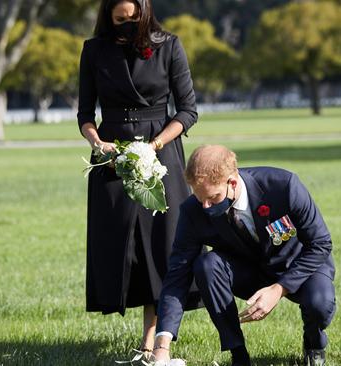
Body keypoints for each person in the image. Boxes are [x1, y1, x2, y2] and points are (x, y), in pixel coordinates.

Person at [77, 0, 201, 356]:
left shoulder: (169, 46)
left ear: (145, 13)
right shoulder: (94, 50)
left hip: (160, 152)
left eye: (134, 19)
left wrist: (155, 145)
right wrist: (98, 143)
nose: (128, 24)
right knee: (120, 244)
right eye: (120, 20)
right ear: (108, 17)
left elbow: (188, 110)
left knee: (160, 245)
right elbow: (86, 113)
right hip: (111, 154)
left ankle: (153, 339)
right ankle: (137, 322)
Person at [152, 145, 337, 366]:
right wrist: (162, 345)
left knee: (320, 304)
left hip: (299, 264)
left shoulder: (283, 186)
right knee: (207, 265)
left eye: (212, 198)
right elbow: (178, 274)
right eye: (199, 198)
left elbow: (320, 244)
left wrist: (279, 289)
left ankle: (313, 343)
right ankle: (238, 354)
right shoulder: (193, 211)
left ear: (232, 182)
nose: (205, 205)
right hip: (249, 271)